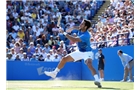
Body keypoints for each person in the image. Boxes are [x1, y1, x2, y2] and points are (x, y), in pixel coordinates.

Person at [44, 19, 102, 88]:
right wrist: (73, 27)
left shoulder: (86, 35)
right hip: (79, 51)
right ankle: (54, 73)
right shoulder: (81, 29)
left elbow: (74, 40)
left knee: (89, 64)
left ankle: (97, 80)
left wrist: (64, 33)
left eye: (82, 24)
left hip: (87, 52)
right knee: (64, 59)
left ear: (86, 27)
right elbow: (78, 27)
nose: (80, 24)